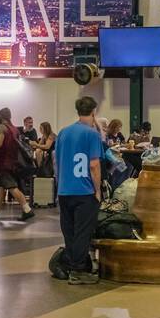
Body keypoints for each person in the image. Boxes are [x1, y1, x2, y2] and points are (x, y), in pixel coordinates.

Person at [51, 97, 104, 284]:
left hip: (65, 190)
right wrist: (97, 190)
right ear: (93, 112)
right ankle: (78, 270)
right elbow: (94, 165)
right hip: (84, 191)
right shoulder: (92, 135)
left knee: (70, 231)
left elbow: (56, 161)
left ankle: (71, 264)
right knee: (83, 231)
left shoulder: (64, 133)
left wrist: (60, 184)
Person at [0, 107, 34, 222]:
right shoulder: (14, 129)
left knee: (11, 187)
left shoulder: (2, 127)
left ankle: (27, 210)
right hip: (13, 162)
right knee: (0, 187)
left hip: (3, 163)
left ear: (0, 116)